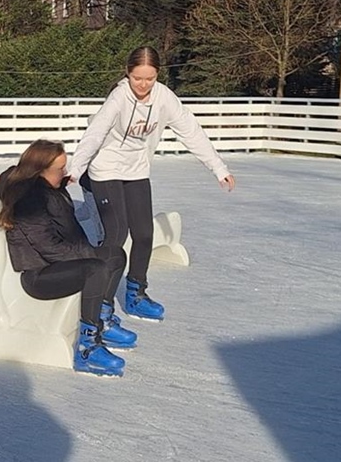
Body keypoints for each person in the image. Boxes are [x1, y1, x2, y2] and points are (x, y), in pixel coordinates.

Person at [67, 46, 235, 321]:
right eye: (137, 78)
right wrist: (76, 168)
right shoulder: (119, 97)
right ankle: (103, 304)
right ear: (127, 73)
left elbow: (190, 131)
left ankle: (135, 293)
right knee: (117, 236)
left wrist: (218, 168)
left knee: (145, 235)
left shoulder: (164, 98)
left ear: (158, 75)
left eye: (150, 78)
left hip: (137, 171)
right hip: (106, 170)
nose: (143, 85)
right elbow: (94, 134)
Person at [0, 140, 134, 377]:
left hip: (58, 264)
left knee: (114, 254)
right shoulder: (29, 199)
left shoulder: (49, 189)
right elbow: (49, 247)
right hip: (39, 275)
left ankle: (102, 318)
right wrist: (89, 253)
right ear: (40, 169)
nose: (65, 173)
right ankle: (87, 348)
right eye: (60, 168)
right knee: (95, 268)